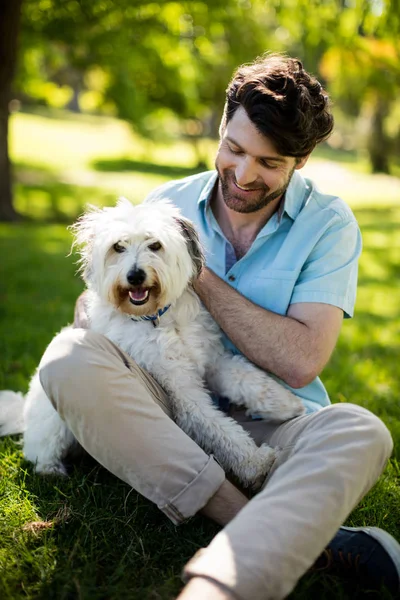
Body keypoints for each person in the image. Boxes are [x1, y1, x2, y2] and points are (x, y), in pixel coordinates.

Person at [39, 54, 400, 600]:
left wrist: (193, 270)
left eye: (270, 162)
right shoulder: (167, 201)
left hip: (269, 414)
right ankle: (266, 530)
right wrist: (108, 319)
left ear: (301, 160)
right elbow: (98, 295)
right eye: (233, 149)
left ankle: (224, 544)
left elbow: (302, 361)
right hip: (160, 407)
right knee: (68, 357)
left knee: (362, 430)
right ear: (222, 123)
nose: (244, 174)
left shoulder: (329, 225)